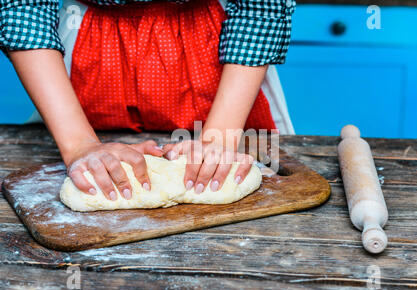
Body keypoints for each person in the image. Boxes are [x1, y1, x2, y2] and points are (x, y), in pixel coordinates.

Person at [1, 0, 295, 201]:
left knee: (233, 166)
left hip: (217, 52)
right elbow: (25, 7)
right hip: (89, 46)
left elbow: (261, 6)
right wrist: (79, 145)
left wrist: (220, 138)